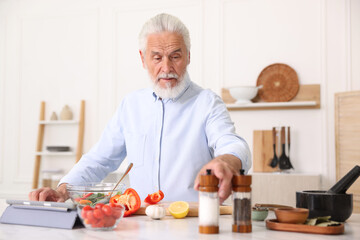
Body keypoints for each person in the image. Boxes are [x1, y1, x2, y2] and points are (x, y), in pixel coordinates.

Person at [29, 13, 251, 204]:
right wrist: (62, 191)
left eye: (175, 56)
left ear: (188, 56)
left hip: (193, 223)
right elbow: (99, 159)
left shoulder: (207, 102)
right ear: (143, 59)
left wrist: (225, 160)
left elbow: (231, 143)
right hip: (140, 224)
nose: (166, 68)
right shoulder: (130, 105)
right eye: (157, 57)